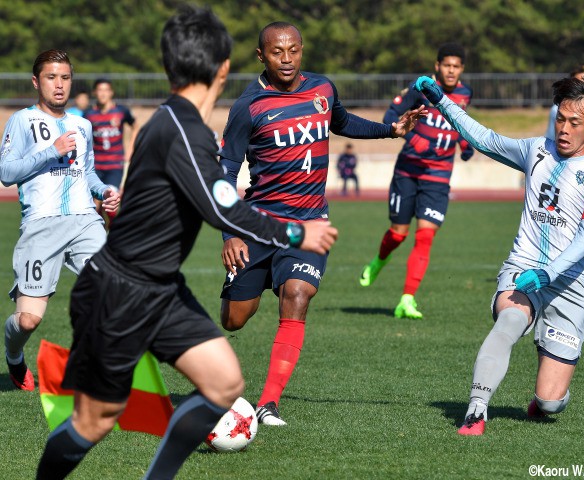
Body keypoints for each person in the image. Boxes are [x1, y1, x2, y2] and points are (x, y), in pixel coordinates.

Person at [35, 6, 337, 480]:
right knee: (95, 421)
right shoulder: (183, 130)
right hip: (120, 292)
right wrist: (298, 232)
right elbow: (222, 207)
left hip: (160, 288)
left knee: (224, 383)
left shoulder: (174, 121)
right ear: (223, 68)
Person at [218, 21, 423, 426]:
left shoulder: (322, 89)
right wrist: (229, 234)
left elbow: (342, 122)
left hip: (310, 223)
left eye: (293, 49)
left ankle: (268, 403)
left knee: (297, 294)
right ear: (261, 56)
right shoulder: (248, 107)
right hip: (257, 225)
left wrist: (390, 130)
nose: (287, 58)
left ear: (302, 49)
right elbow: (225, 172)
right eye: (277, 52)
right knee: (234, 319)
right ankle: (248, 284)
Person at [414, 72, 584, 436]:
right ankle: (476, 411)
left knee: (550, 401)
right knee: (509, 319)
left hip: (571, 285)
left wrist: (550, 274)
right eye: (560, 118)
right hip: (524, 268)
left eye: (575, 122)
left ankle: (544, 397)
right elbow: (485, 138)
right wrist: (443, 103)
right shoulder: (535, 151)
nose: (565, 129)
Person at [0, 50, 120, 392]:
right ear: (37, 82)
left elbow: (89, 173)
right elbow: (6, 173)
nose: (59, 84)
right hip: (41, 225)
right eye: (51, 77)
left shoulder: (82, 124)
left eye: (65, 78)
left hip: (84, 220)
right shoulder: (21, 121)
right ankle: (13, 355)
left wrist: (104, 191)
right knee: (27, 320)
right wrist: (51, 150)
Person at [359, 43, 474, 320]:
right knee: (398, 234)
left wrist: (464, 141)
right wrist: (415, 138)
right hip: (408, 170)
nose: (451, 70)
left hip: (438, 175)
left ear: (461, 69)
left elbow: (456, 121)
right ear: (437, 66)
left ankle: (406, 300)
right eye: (446, 65)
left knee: (425, 236)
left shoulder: (465, 93)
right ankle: (378, 261)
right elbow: (390, 118)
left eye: (456, 66)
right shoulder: (420, 88)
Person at [84, 78, 138, 223]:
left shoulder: (121, 111)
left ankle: (113, 233)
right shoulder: (89, 114)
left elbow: (135, 126)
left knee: (110, 202)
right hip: (96, 166)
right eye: (99, 90)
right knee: (95, 207)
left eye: (105, 90)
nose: (102, 94)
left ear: (111, 92)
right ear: (95, 92)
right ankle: (100, 237)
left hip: (115, 165)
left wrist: (131, 148)